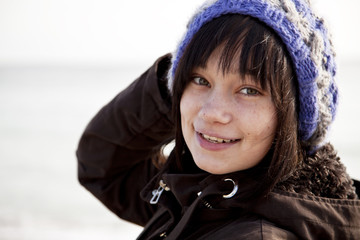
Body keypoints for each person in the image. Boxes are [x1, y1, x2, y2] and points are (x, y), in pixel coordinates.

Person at [76, 0, 360, 239]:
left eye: (249, 90)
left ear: (295, 115)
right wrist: (174, 83)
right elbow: (102, 166)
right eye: (200, 80)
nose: (212, 112)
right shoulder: (203, 196)